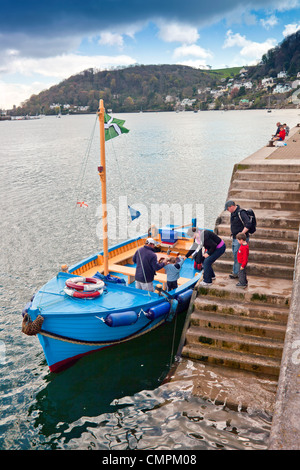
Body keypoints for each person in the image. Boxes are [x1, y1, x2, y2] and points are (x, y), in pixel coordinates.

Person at [224, 200, 252, 279]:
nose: (228, 210)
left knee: (238, 256)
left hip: (240, 239)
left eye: (228, 209)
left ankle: (237, 273)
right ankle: (236, 271)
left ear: (232, 206)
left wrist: (241, 234)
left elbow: (248, 224)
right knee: (236, 255)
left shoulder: (241, 213)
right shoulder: (233, 213)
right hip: (235, 238)